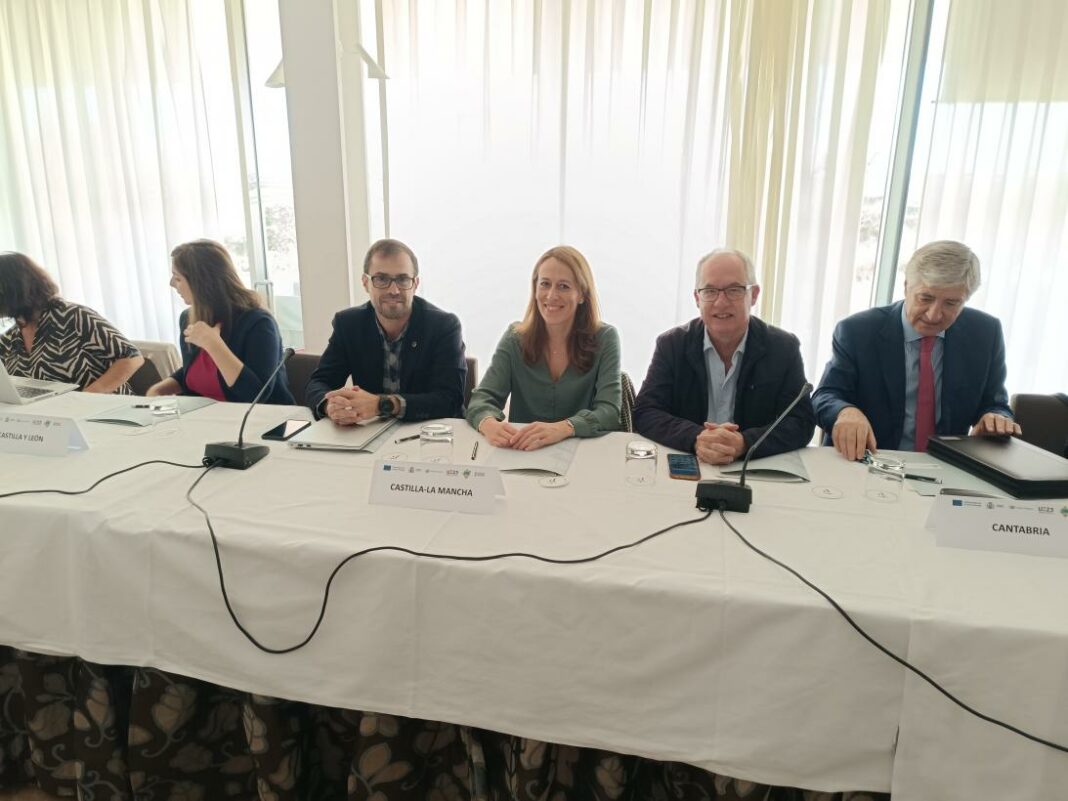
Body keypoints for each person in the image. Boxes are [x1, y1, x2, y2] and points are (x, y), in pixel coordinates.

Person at [812, 240, 1019, 461]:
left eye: (951, 303)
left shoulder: (985, 334)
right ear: (906, 287)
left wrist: (995, 418)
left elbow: (995, 403)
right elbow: (825, 396)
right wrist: (845, 411)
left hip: (945, 467)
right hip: (868, 460)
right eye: (925, 298)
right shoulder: (858, 331)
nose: (934, 315)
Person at [633, 248, 814, 463]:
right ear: (697, 298)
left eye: (734, 290)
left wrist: (745, 442)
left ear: (754, 295)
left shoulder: (783, 348)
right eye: (710, 291)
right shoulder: (672, 345)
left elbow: (800, 422)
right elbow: (646, 411)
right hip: (689, 463)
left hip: (751, 467)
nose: (721, 302)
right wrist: (697, 437)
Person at [466, 245, 621, 450]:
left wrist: (564, 428)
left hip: (583, 454)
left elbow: (609, 412)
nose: (551, 295)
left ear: (582, 295)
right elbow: (482, 399)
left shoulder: (606, 338)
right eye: (545, 284)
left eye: (564, 286)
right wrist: (488, 423)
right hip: (524, 452)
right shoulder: (514, 338)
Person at [306, 239, 466, 422]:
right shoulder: (348, 324)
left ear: (415, 284)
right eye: (381, 279)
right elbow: (319, 382)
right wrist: (330, 405)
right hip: (371, 430)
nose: (394, 290)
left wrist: (382, 405)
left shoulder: (443, 326)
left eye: (403, 279)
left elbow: (450, 399)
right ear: (365, 283)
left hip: (431, 430)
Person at [146, 240, 294, 404]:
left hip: (263, 417)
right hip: (208, 416)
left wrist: (214, 345)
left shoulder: (259, 323)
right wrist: (160, 389)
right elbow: (197, 372)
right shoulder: (187, 319)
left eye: (178, 278)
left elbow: (255, 395)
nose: (172, 284)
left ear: (201, 282)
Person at [0, 251, 143, 393]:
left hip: (102, 405)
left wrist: (89, 395)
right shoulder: (9, 338)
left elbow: (132, 358)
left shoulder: (74, 316)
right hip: (51, 407)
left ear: (14, 289)